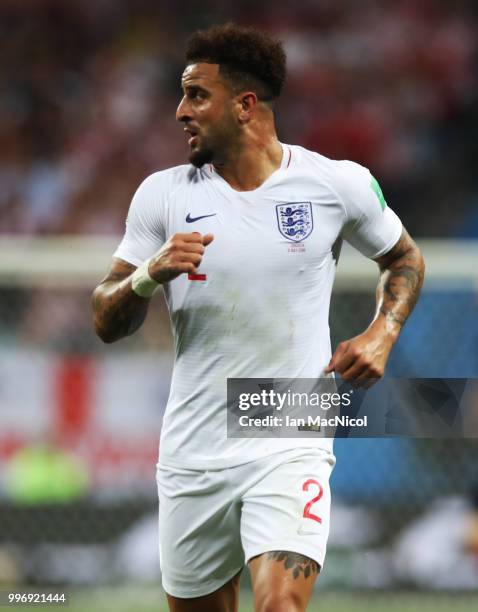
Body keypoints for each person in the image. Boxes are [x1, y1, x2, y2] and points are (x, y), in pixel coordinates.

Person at [91, 23, 425, 612]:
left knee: (280, 605)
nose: (179, 112)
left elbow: (404, 259)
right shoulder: (161, 196)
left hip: (288, 421)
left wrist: (383, 332)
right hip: (195, 441)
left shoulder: (334, 183)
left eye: (196, 95)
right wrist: (150, 274)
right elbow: (105, 318)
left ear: (245, 105)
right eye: (181, 94)